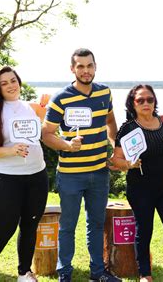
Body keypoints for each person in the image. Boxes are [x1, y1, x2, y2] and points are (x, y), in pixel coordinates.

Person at [41, 48, 120, 282]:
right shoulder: (60, 98)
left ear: (95, 67)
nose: (85, 71)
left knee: (95, 224)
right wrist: (66, 145)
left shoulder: (105, 92)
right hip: (71, 175)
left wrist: (116, 150)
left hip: (99, 172)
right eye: (80, 66)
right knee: (67, 226)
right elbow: (46, 134)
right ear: (72, 69)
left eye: (89, 66)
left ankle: (98, 273)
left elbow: (110, 122)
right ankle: (64, 273)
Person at [0, 66, 50, 282]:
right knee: (4, 229)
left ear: (19, 82)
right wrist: (11, 150)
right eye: (4, 83)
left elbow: (43, 130)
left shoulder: (30, 107)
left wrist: (45, 107)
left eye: (13, 80)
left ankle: (24, 272)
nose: (10, 86)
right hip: (6, 178)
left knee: (29, 225)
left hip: (37, 175)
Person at [111, 84, 163, 282]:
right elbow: (116, 160)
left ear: (154, 101)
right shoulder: (127, 128)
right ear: (132, 103)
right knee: (144, 231)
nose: (146, 103)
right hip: (140, 189)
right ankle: (145, 275)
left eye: (150, 99)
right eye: (140, 100)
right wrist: (129, 164)